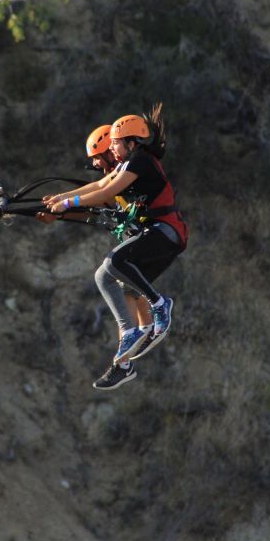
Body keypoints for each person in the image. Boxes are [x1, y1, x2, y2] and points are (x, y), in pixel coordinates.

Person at [47, 111, 188, 390]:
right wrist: (60, 199)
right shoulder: (127, 164)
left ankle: (160, 307)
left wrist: (68, 202)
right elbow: (101, 184)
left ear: (132, 143)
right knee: (107, 278)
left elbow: (106, 192)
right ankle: (126, 354)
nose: (111, 148)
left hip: (166, 232)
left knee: (115, 261)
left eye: (115, 142)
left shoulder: (140, 161)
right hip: (157, 235)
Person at [38, 125, 155, 337]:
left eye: (97, 157)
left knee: (129, 289)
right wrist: (59, 210)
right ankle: (134, 342)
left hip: (146, 238)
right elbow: (94, 208)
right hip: (135, 239)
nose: (94, 164)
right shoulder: (116, 176)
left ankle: (139, 338)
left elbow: (101, 194)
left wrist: (66, 203)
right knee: (127, 288)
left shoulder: (126, 175)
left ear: (111, 152)